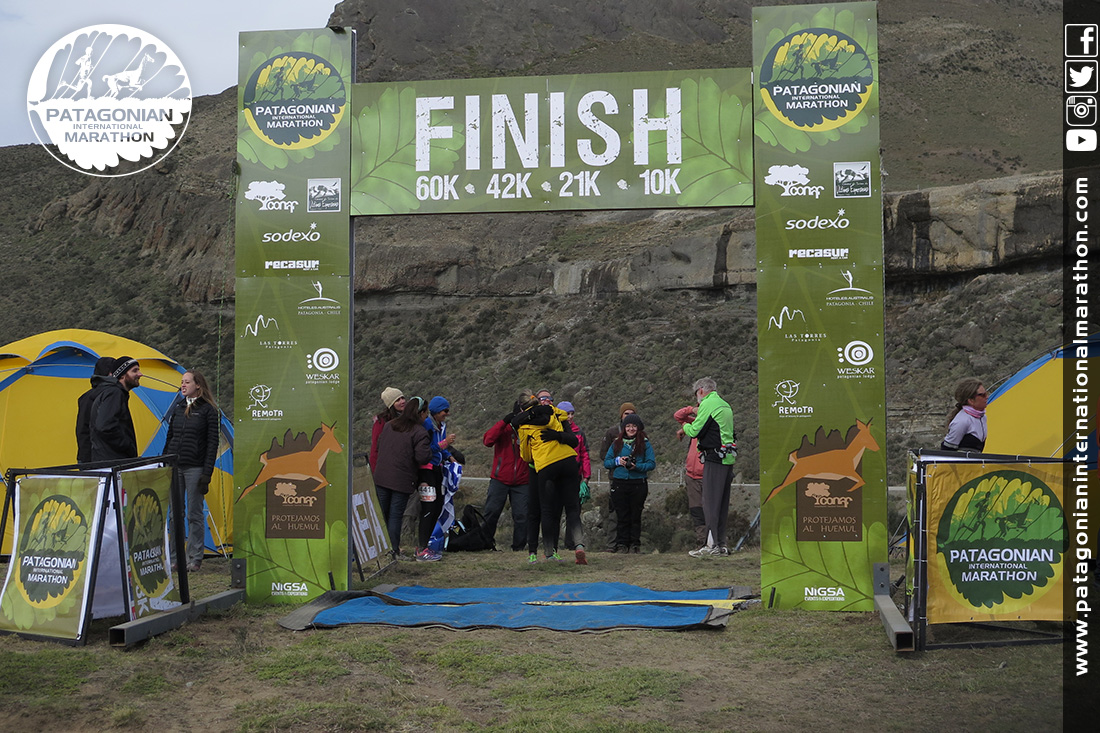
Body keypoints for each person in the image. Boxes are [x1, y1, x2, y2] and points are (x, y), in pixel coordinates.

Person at [512, 392, 587, 564]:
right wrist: (557, 435)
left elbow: (526, 456)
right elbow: (567, 424)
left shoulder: (524, 426)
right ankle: (579, 544)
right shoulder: (554, 413)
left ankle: (548, 552)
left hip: (547, 465)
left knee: (546, 509)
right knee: (572, 508)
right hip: (568, 460)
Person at [164, 370, 220, 573]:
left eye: (187, 382)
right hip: (175, 466)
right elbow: (170, 436)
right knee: (174, 515)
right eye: (182, 382)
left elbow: (212, 444)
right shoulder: (178, 408)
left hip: (195, 467)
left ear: (198, 385)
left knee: (194, 513)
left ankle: (194, 557)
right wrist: (165, 459)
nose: (183, 385)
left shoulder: (208, 410)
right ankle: (175, 557)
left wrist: (207, 473)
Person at [681, 377, 737, 558]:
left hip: (714, 458)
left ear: (701, 391)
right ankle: (721, 544)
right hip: (728, 458)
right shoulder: (725, 405)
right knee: (721, 503)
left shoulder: (708, 403)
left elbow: (695, 430)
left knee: (710, 503)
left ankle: (711, 545)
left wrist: (685, 426)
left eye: (696, 394)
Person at [373, 396, 431, 559]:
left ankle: (378, 550)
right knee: (395, 515)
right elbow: (422, 457)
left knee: (382, 514)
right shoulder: (419, 432)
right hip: (401, 479)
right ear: (421, 413)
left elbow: (379, 446)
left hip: (381, 476)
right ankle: (393, 551)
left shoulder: (389, 425)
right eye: (426, 413)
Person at [481, 399, 530, 551]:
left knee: (522, 515)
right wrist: (504, 422)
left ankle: (519, 548)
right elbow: (487, 440)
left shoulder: (530, 429)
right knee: (491, 512)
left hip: (522, 480)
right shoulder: (505, 428)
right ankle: (485, 544)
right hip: (500, 479)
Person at [603, 414, 656, 554]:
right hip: (619, 483)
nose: (631, 429)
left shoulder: (645, 444)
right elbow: (606, 462)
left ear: (638, 428)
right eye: (628, 426)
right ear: (624, 428)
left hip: (638, 483)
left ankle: (634, 544)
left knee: (635, 515)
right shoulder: (617, 443)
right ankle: (622, 544)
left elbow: (651, 464)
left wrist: (637, 467)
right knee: (622, 515)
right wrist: (617, 461)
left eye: (634, 426)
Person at [417, 396, 457, 562]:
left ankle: (425, 545)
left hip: (437, 469)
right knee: (428, 507)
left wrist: (449, 456)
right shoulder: (427, 425)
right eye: (444, 411)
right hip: (426, 470)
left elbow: (440, 448)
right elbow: (427, 448)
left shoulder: (441, 425)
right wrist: (445, 444)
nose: (446, 414)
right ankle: (421, 548)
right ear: (436, 411)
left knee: (437, 506)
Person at [599, 402, 637, 551]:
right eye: (626, 414)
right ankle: (612, 544)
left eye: (632, 414)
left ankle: (630, 544)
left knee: (633, 511)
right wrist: (617, 461)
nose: (629, 417)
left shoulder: (639, 433)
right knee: (615, 511)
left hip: (635, 478)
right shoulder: (612, 432)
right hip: (616, 477)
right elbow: (603, 454)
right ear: (621, 415)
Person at [89, 356, 143, 461]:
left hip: (107, 459)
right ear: (122, 375)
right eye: (134, 371)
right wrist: (127, 446)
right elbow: (104, 426)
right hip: (113, 461)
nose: (140, 374)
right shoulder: (114, 393)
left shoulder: (111, 392)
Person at [558, 400, 591, 549]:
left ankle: (571, 544)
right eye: (567, 414)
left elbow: (584, 454)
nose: (570, 417)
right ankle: (552, 544)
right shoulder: (554, 431)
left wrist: (586, 477)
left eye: (572, 414)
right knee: (555, 511)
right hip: (557, 477)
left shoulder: (579, 432)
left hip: (574, 477)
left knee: (574, 511)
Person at [674, 405, 708, 547]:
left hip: (707, 475)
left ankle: (714, 542)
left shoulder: (713, 425)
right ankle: (701, 542)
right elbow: (678, 416)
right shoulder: (695, 423)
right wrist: (692, 410)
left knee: (710, 510)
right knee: (696, 510)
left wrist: (684, 428)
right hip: (691, 475)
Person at [75, 356, 115, 463]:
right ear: (110, 373)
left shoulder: (85, 397)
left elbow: (82, 430)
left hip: (85, 454)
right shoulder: (109, 395)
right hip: (100, 457)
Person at [941, 378, 988, 452]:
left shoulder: (983, 417)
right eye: (983, 395)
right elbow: (946, 450)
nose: (987, 397)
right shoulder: (962, 421)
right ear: (971, 401)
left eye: (986, 393)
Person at [369, 387, 406, 471]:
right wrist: (375, 471)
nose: (402, 401)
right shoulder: (381, 422)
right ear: (391, 404)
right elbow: (375, 448)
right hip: (389, 467)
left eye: (402, 398)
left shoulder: (409, 417)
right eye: (397, 400)